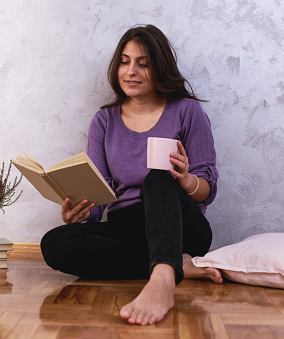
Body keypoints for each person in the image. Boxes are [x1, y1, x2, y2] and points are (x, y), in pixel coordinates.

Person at [40, 24, 222, 326]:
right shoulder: (104, 121)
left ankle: (163, 280)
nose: (131, 71)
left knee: (158, 177)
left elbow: (207, 190)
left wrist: (186, 179)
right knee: (55, 242)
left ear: (160, 67)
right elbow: (98, 195)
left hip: (180, 225)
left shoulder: (187, 111)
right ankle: (173, 265)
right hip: (129, 229)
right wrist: (81, 213)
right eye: (125, 61)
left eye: (143, 63)